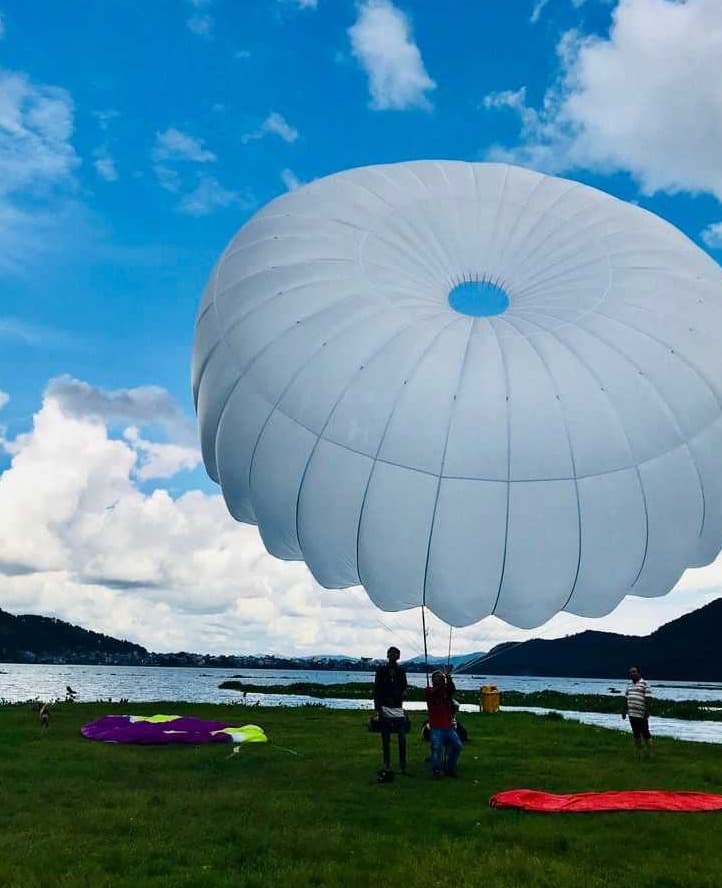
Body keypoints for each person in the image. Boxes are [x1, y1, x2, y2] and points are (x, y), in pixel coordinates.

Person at [373, 646, 409, 775]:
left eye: (396, 654)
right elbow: (376, 689)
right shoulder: (381, 670)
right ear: (387, 655)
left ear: (398, 656)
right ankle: (387, 764)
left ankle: (403, 765)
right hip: (384, 706)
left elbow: (405, 685)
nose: (393, 656)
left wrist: (404, 692)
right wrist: (378, 708)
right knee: (385, 738)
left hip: (397, 707)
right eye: (391, 653)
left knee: (402, 737)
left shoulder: (401, 671)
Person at [425, 669, 463, 777]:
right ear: (432, 680)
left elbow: (452, 689)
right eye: (437, 677)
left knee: (457, 746)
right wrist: (444, 683)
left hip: (448, 726)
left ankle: (450, 768)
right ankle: (436, 770)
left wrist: (449, 678)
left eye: (440, 677)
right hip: (435, 726)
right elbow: (435, 692)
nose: (439, 679)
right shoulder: (429, 691)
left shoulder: (446, 691)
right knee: (436, 748)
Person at [622, 666, 653, 756]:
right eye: (631, 672)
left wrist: (647, 711)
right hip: (631, 713)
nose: (632, 674)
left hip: (641, 713)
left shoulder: (645, 684)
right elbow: (626, 698)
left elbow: (648, 698)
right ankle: (639, 751)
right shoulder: (629, 685)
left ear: (639, 673)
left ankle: (650, 752)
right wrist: (624, 711)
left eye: (634, 672)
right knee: (636, 733)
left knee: (645, 732)